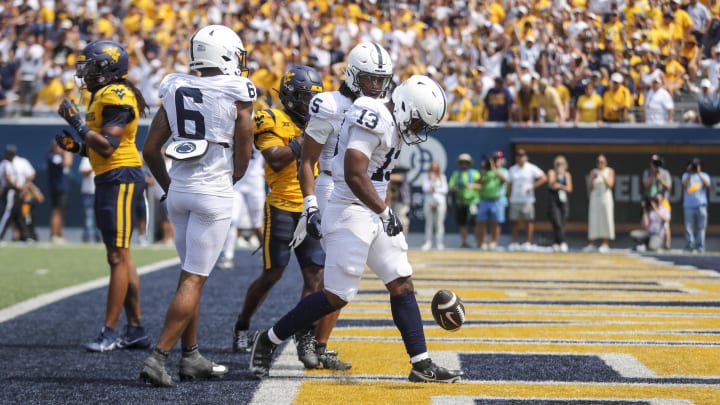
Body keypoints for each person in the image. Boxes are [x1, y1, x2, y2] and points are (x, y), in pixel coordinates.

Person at [249, 74, 464, 383]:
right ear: (405, 106)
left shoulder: (395, 123)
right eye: (418, 122)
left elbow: (381, 177)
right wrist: (384, 211)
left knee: (401, 280)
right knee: (337, 295)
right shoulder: (373, 115)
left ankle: (421, 363)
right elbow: (354, 172)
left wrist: (384, 211)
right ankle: (268, 339)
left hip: (372, 210)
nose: (418, 130)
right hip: (348, 209)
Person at [139, 25, 256, 387]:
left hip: (180, 190)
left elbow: (149, 149)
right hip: (212, 190)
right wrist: (231, 178)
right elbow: (244, 149)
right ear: (225, 54)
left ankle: (191, 356)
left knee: (189, 275)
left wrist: (170, 186)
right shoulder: (238, 91)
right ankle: (158, 358)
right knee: (193, 278)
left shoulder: (175, 86)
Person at [293, 41, 394, 369]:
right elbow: (307, 161)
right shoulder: (330, 105)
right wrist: (310, 205)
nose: (376, 86)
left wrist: (383, 206)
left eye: (381, 79)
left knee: (345, 276)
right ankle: (300, 336)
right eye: (370, 79)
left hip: (364, 195)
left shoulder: (384, 109)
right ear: (352, 75)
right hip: (331, 189)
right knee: (326, 274)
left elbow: (383, 168)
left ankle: (320, 343)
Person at [54, 40, 151, 352]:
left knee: (117, 256)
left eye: (92, 65)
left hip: (121, 176)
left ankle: (109, 331)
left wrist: (76, 122)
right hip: (111, 175)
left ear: (108, 67)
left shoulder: (116, 94)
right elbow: (102, 148)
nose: (86, 71)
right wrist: (79, 147)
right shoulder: (103, 94)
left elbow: (109, 145)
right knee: (122, 256)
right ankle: (135, 328)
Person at [231, 65, 328, 371]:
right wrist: (306, 139)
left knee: (316, 276)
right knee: (273, 273)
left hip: (311, 206)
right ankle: (243, 324)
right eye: (301, 98)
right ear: (288, 96)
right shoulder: (270, 118)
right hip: (282, 206)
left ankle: (304, 334)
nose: (306, 105)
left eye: (311, 98)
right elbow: (275, 157)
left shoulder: (320, 121)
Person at [507, 149, 547, 251]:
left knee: (528, 221)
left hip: (527, 200)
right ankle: (515, 243)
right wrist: (509, 196)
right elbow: (509, 184)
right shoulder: (512, 169)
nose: (520, 157)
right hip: (515, 199)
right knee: (514, 221)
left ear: (526, 157)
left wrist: (532, 187)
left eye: (522, 155)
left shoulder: (531, 168)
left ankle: (528, 243)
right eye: (518, 155)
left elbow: (543, 177)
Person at [0, 145, 36, 242]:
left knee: (19, 214)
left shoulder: (20, 162)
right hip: (10, 191)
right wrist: (20, 188)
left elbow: (31, 174)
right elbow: (8, 179)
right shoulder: (5, 164)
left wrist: (25, 187)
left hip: (19, 192)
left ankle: (25, 237)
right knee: (8, 213)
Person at [474, 152, 508, 251]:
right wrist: (484, 170)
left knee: (495, 223)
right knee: (482, 222)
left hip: (496, 200)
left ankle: (494, 242)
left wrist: (494, 169)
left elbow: (504, 179)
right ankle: (482, 242)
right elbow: (479, 183)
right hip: (484, 200)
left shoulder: (502, 171)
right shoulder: (485, 172)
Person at [584, 154, 615, 253]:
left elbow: (610, 185)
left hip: (606, 199)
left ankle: (605, 244)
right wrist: (593, 178)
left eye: (602, 162)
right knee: (594, 220)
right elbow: (590, 188)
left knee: (606, 219)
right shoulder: (593, 172)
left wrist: (603, 176)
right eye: (598, 162)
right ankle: (592, 244)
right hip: (595, 199)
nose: (600, 164)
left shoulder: (609, 171)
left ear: (606, 163)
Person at [448, 153, 480, 248]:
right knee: (462, 224)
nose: (463, 164)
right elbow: (450, 186)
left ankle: (478, 242)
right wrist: (455, 188)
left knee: (475, 223)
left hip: (473, 202)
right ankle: (464, 242)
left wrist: (472, 186)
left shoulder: (475, 173)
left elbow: (481, 186)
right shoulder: (456, 174)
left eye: (466, 162)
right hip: (460, 202)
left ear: (469, 163)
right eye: (462, 162)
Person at [642, 154, 672, 249]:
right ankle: (646, 242)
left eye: (656, 162)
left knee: (666, 223)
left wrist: (660, 179)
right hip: (650, 200)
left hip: (663, 200)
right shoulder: (647, 172)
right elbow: (646, 185)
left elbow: (669, 186)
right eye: (653, 162)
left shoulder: (665, 173)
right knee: (647, 221)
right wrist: (653, 176)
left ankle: (667, 245)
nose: (654, 164)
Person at [46, 142, 73, 244]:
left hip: (62, 188)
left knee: (61, 211)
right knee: (57, 211)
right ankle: (54, 235)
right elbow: (67, 162)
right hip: (57, 188)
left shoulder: (57, 157)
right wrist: (68, 150)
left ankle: (59, 234)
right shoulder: (52, 157)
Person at [682, 157, 710, 253]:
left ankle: (700, 246)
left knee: (701, 227)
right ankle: (690, 245)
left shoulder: (704, 175)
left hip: (701, 205)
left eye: (696, 165)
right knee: (688, 227)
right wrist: (690, 173)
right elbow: (685, 185)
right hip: (689, 205)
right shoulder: (686, 175)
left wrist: (698, 173)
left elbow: (708, 184)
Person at [546, 155, 573, 252]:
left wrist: (560, 186)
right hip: (553, 201)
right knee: (556, 222)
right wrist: (557, 176)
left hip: (563, 201)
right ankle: (562, 242)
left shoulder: (567, 175)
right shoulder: (552, 172)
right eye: (558, 164)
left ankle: (557, 242)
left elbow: (569, 188)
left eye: (562, 164)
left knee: (562, 222)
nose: (560, 166)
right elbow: (551, 185)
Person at [421, 160, 448, 251]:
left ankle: (439, 243)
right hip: (429, 202)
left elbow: (445, 190)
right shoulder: (426, 176)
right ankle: (427, 243)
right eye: (432, 168)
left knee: (439, 224)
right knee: (429, 223)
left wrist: (435, 189)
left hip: (440, 203)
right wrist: (432, 182)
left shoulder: (442, 177)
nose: (434, 170)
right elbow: (425, 189)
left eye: (436, 168)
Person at [78, 156, 101, 243]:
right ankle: (88, 239)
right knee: (89, 217)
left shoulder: (105, 156)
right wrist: (94, 166)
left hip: (101, 191)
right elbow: (83, 172)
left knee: (101, 217)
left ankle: (99, 239)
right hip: (89, 193)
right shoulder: (87, 158)